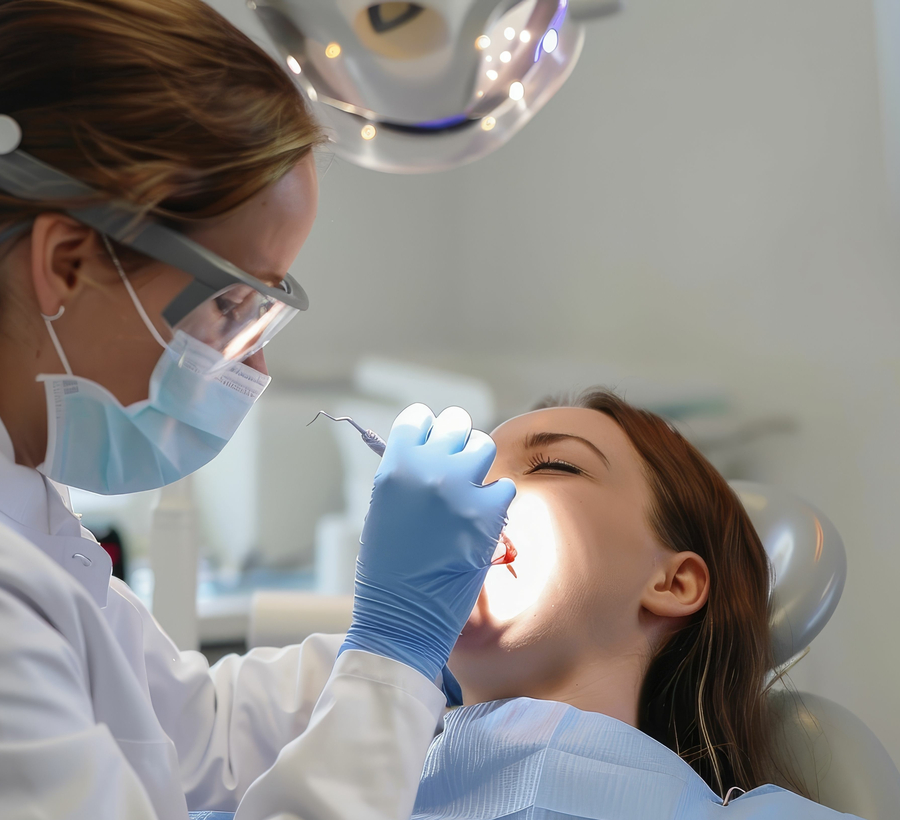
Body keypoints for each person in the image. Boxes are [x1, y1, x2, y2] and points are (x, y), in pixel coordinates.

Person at [0, 2, 514, 819]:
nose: (256, 364)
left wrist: (407, 643)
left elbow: (190, 736)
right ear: (67, 263)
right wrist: (395, 655)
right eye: (234, 307)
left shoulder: (24, 504)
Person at [411, 389, 861, 819]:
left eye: (555, 465)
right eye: (471, 475)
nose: (477, 493)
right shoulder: (359, 761)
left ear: (674, 583)